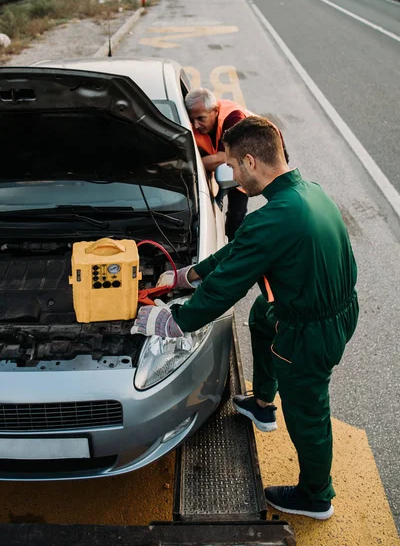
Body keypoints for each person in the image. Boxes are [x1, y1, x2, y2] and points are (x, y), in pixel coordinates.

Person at [132, 116, 359, 520]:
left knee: (308, 410)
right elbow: (240, 249)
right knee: (261, 314)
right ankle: (261, 402)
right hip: (327, 307)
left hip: (309, 330)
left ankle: (316, 496)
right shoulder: (307, 192)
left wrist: (172, 322)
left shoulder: (273, 220)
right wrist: (189, 273)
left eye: (233, 167)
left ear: (251, 161)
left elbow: (224, 289)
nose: (232, 177)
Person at [184, 88, 250, 241]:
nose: (196, 125)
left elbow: (223, 159)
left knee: (238, 212)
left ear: (214, 110)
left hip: (264, 156)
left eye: (201, 118)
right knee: (235, 214)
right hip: (237, 165)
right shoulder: (194, 125)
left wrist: (187, 165)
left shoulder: (234, 118)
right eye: (192, 119)